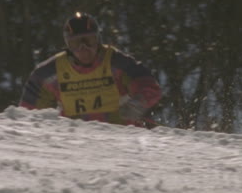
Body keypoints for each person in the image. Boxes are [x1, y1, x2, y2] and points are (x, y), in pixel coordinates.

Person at [19, 12, 161, 127]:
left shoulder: (116, 63)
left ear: (98, 40)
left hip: (122, 137)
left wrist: (138, 104)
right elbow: (29, 116)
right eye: (75, 43)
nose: (83, 49)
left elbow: (148, 85)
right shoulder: (49, 74)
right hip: (77, 141)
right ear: (67, 45)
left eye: (89, 41)